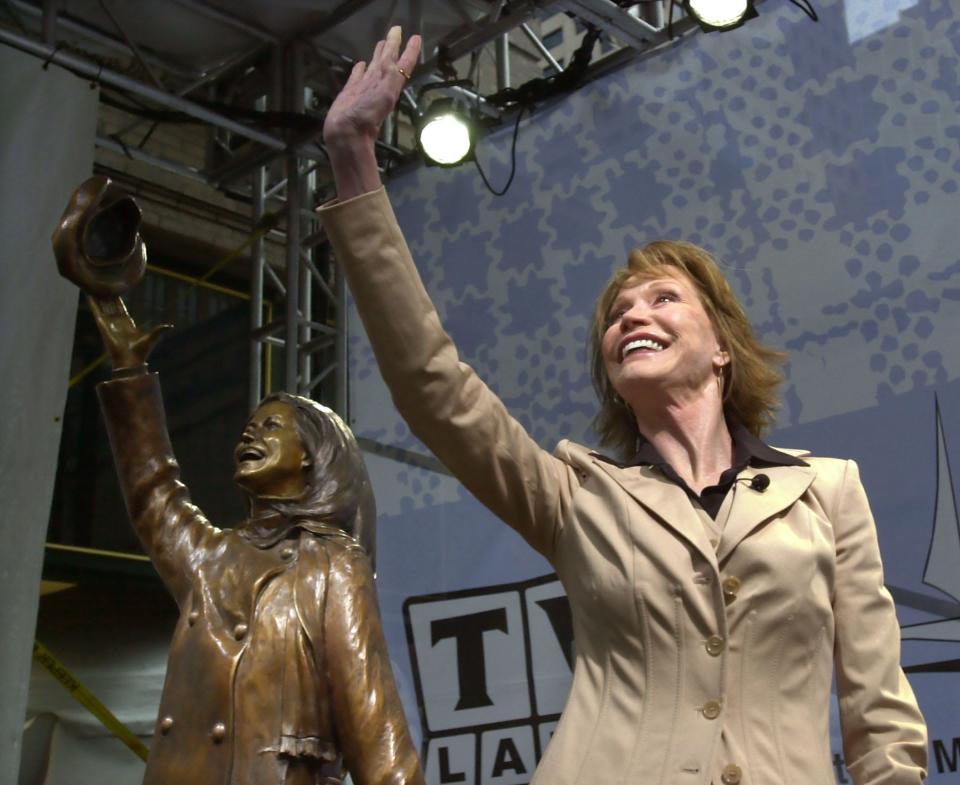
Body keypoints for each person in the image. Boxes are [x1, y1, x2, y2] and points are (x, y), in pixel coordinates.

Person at [316, 26, 928, 785]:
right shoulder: (577, 496)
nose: (631, 316)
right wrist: (353, 161)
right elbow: (430, 383)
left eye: (664, 298)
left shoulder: (829, 493)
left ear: (722, 347)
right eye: (617, 313)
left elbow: (882, 721)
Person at [74, 288, 424, 785]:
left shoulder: (331, 565)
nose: (249, 435)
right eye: (247, 428)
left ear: (312, 455)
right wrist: (130, 370)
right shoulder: (211, 558)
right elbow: (153, 494)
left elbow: (377, 731)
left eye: (271, 427)